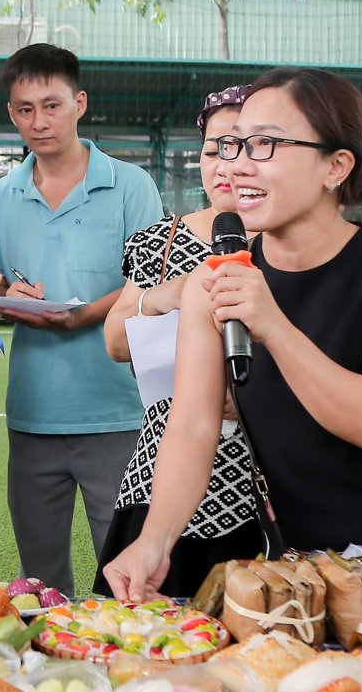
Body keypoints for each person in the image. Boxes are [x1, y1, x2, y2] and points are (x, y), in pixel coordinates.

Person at [102, 69, 362, 601]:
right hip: (298, 566)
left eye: (266, 145)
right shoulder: (215, 281)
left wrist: (274, 325)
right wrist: (154, 541)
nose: (237, 165)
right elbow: (191, 425)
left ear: (336, 165)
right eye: (234, 145)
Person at [0, 44, 163, 597]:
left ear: (79, 103)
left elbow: (152, 284)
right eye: (24, 109)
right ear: (12, 113)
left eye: (52, 105)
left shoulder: (131, 186)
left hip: (117, 412)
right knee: (39, 578)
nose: (39, 121)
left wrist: (83, 314)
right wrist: (10, 296)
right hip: (33, 414)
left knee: (128, 569)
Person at [94, 86, 264, 598]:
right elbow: (116, 342)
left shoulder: (292, 244)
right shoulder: (159, 241)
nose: (225, 165)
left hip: (261, 481)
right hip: (160, 466)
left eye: (246, 148)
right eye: (214, 149)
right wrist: (166, 297)